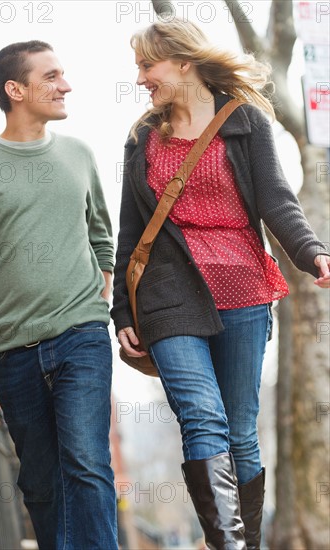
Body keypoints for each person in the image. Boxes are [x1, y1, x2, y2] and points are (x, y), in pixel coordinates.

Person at [112, 18, 330, 550]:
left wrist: (313, 252)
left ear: (183, 61)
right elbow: (131, 233)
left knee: (240, 433)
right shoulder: (143, 137)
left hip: (244, 291)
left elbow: (277, 201)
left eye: (148, 65)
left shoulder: (245, 121)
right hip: (169, 295)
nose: (141, 78)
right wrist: (122, 313)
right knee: (202, 417)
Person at [0, 41, 118, 550]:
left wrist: (96, 304)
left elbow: (102, 239)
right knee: (40, 482)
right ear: (14, 90)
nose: (65, 85)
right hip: (12, 348)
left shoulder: (79, 154)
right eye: (52, 76)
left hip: (81, 336)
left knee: (87, 461)